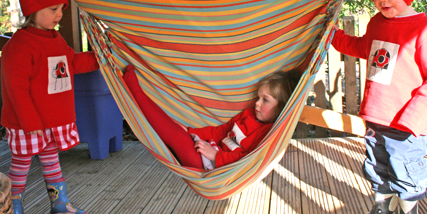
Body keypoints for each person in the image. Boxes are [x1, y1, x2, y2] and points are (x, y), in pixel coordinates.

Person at [331, 0, 427, 214]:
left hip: (406, 123)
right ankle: (382, 209)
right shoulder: (377, 23)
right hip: (377, 117)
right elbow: (363, 47)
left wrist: (414, 117)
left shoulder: (424, 28)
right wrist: (333, 36)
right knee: (377, 166)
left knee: (405, 169)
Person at [1, 0, 99, 214]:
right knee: (21, 165)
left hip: (52, 119)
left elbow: (71, 64)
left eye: (62, 9)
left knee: (52, 162)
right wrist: (29, 120)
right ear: (33, 9)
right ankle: (12, 208)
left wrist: (97, 58)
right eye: (53, 8)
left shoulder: (56, 39)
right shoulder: (20, 46)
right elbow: (16, 88)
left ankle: (59, 204)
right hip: (28, 122)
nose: (59, 15)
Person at [123, 64, 300, 170]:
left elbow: (247, 160)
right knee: (176, 129)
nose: (257, 104)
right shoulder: (248, 114)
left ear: (281, 108)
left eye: (265, 100)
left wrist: (215, 156)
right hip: (210, 151)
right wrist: (191, 130)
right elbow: (221, 131)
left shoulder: (268, 133)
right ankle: (141, 98)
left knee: (175, 136)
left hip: (215, 166)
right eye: (258, 98)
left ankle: (137, 94)